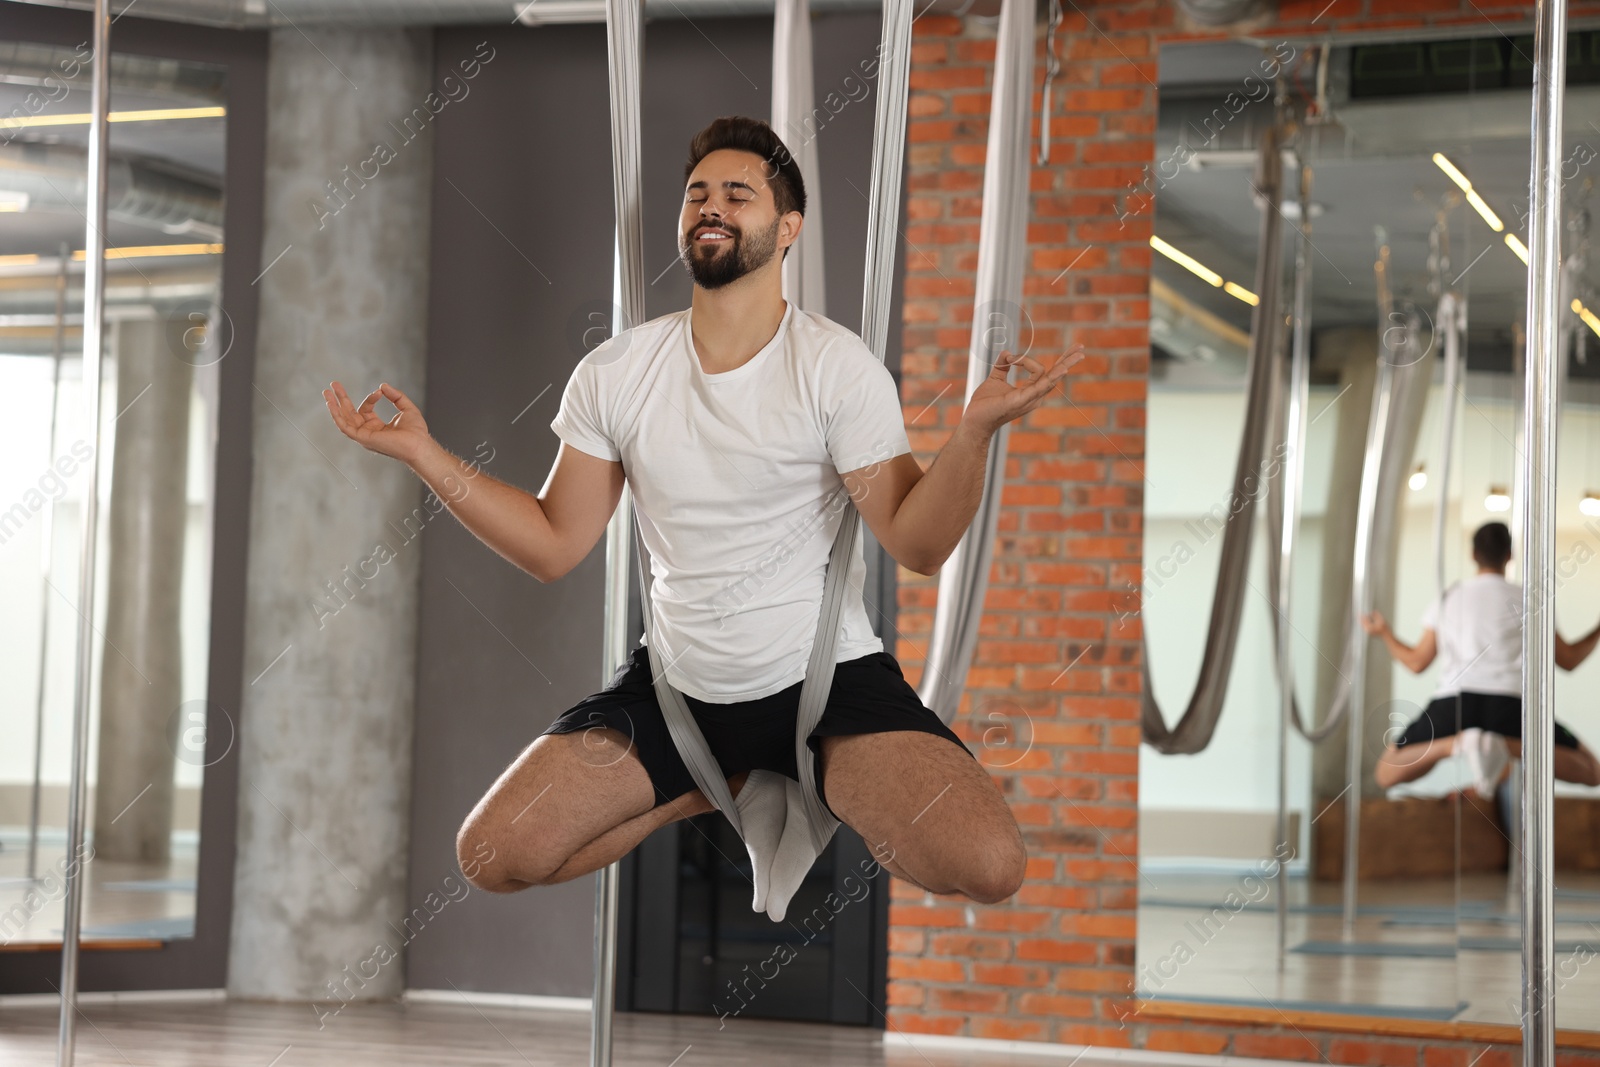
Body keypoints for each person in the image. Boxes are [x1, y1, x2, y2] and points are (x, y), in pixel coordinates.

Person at [323, 116, 1075, 908]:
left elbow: (917, 544)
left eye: (737, 194)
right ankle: (704, 785)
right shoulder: (617, 371)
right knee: (491, 853)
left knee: (992, 865)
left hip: (823, 689)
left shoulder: (836, 368)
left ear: (789, 228)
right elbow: (551, 543)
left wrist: (976, 431)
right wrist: (423, 453)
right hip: (677, 690)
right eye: (697, 195)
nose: (710, 207)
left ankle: (788, 775)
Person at [1362, 520, 1600, 795]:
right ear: (1510, 555)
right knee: (1593, 771)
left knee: (1385, 771)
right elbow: (1568, 659)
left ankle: (1455, 744)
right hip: (1510, 705)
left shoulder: (1449, 597)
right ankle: (1509, 745)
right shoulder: (1528, 598)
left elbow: (1417, 663)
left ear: (1473, 554)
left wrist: (1385, 634)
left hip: (1455, 701)